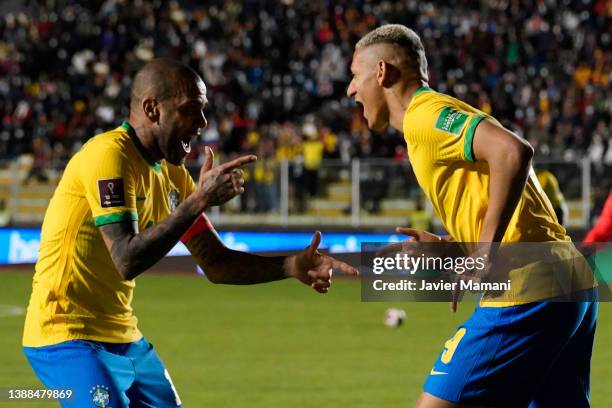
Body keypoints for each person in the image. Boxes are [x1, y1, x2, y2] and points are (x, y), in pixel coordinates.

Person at [22, 58, 358, 408]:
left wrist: (289, 266)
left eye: (204, 110)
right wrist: (198, 201)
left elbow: (215, 262)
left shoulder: (174, 175)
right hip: (65, 333)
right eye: (190, 110)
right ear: (152, 109)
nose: (202, 123)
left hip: (122, 334)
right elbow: (126, 258)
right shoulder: (109, 156)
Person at [347, 25, 596, 408]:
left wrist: (483, 251)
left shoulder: (425, 117)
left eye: (354, 76)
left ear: (382, 72)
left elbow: (513, 152)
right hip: (569, 280)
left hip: (528, 288)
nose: (350, 90)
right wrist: (455, 249)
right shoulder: (440, 116)